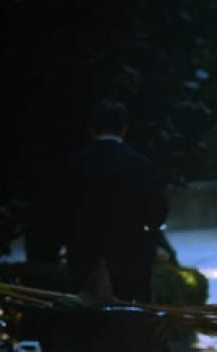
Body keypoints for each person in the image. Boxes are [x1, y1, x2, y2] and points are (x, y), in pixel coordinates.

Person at [56, 99, 169, 302]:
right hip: (129, 256)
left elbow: (61, 210)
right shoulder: (139, 164)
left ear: (91, 128)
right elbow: (156, 213)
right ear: (124, 128)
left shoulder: (75, 165)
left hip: (84, 256)